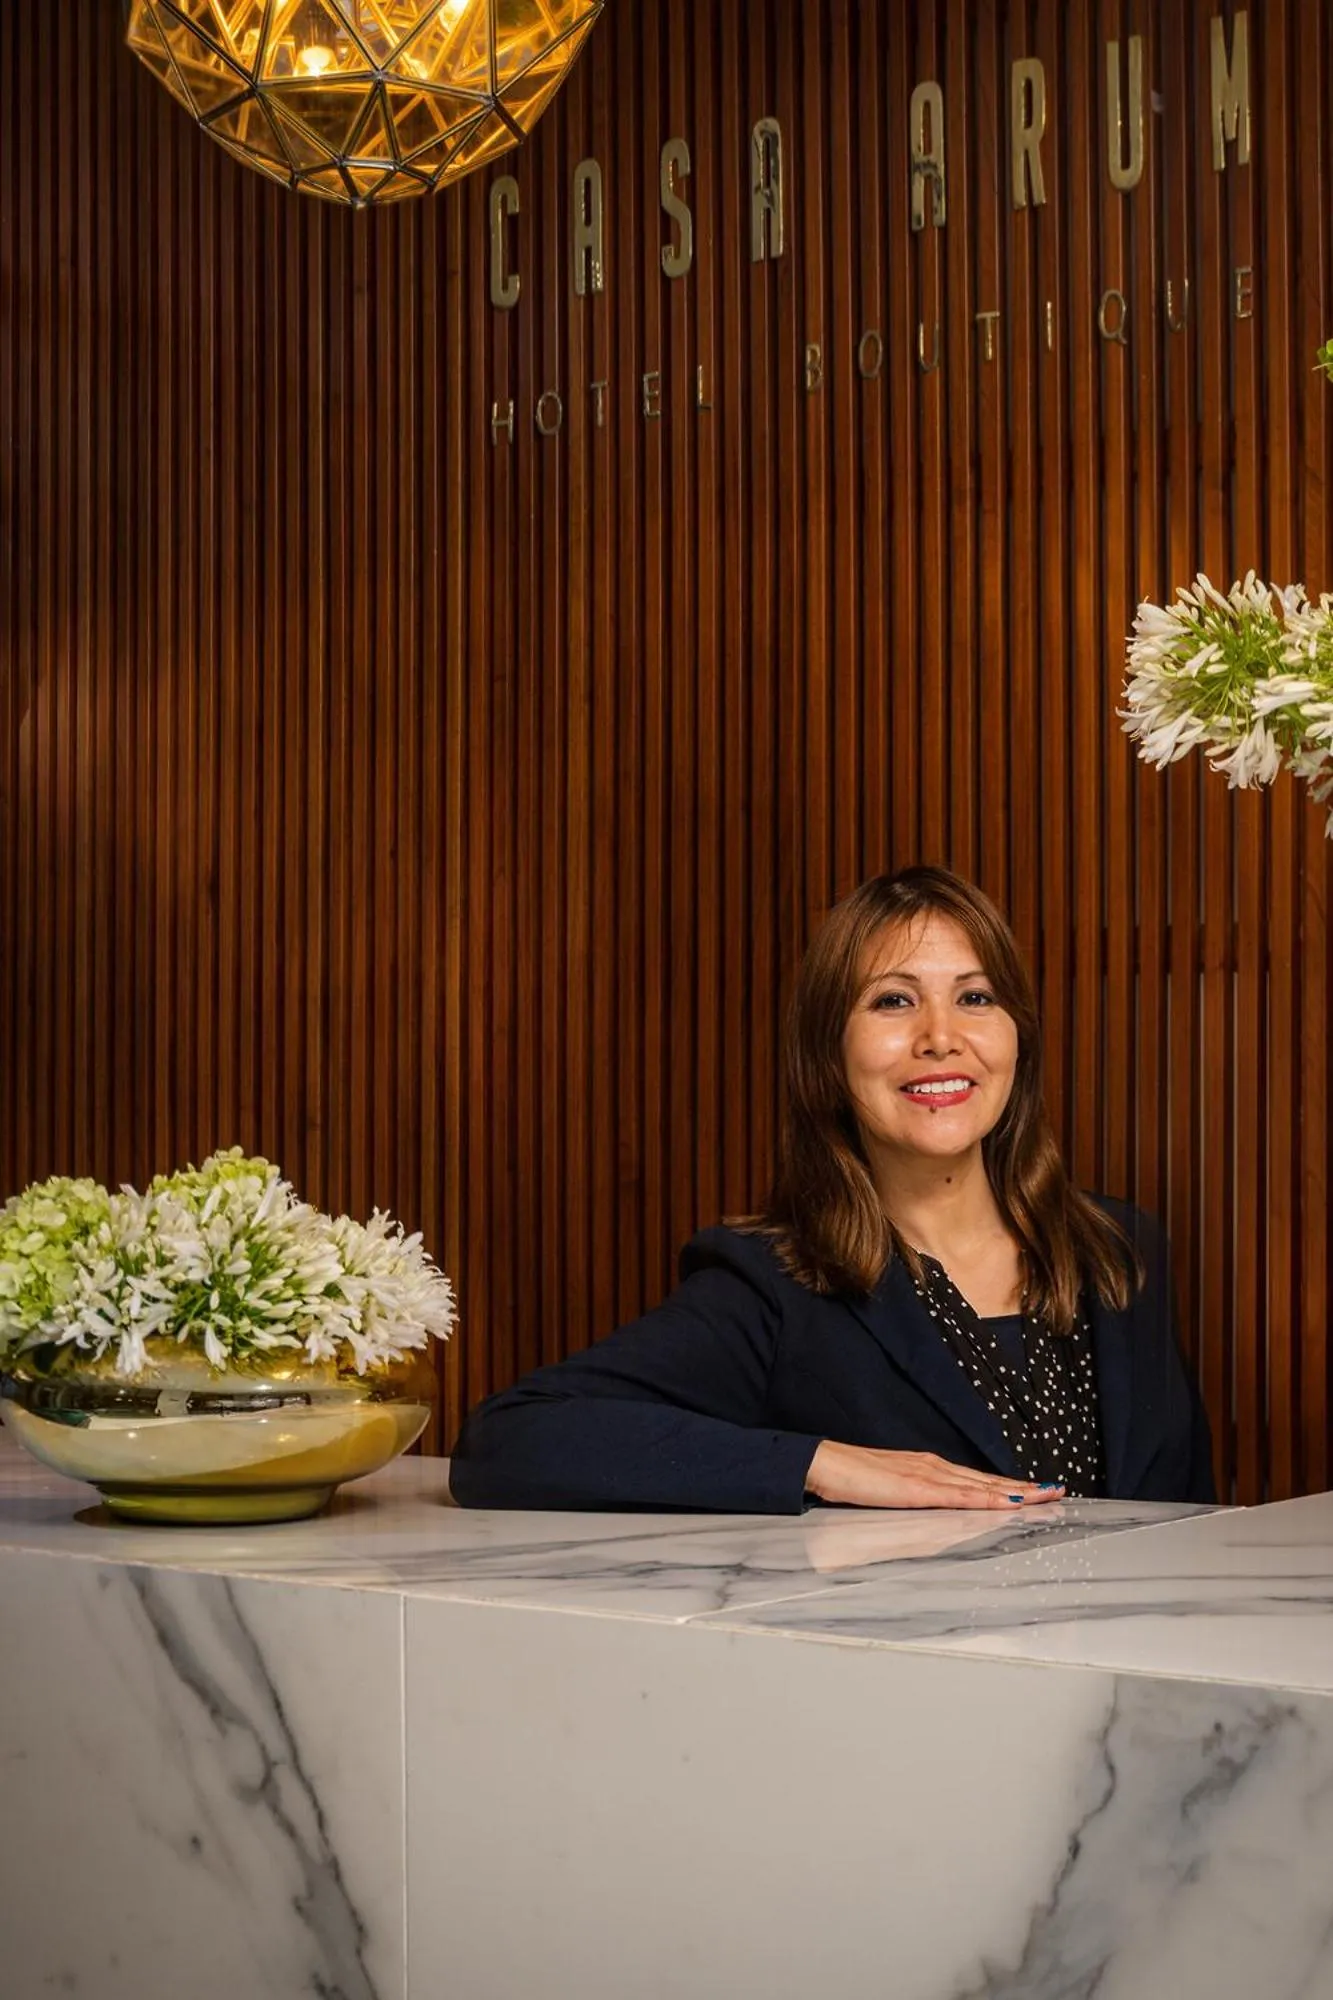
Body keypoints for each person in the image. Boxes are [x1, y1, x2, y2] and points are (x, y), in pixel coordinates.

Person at [449, 867, 1215, 1513]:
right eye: (892, 1001)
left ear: (1018, 1037)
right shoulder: (773, 1284)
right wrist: (819, 1463)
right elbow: (507, 1439)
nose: (940, 1037)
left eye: (975, 997)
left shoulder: (1120, 1248)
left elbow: (1188, 1512)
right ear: (828, 1052)